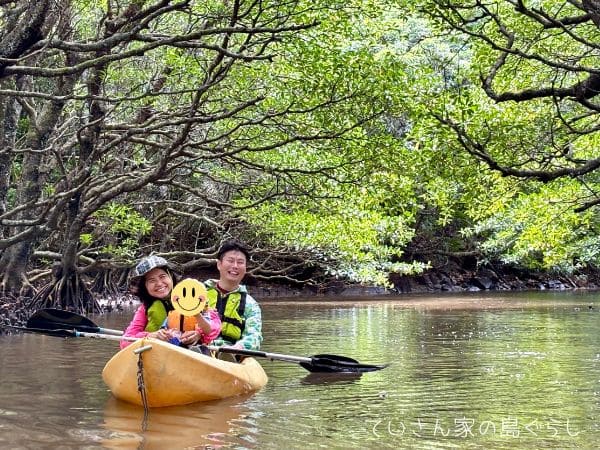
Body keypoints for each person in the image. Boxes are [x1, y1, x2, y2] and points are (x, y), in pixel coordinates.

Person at [120, 255, 220, 349]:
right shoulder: (145, 308)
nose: (159, 283)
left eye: (162, 276)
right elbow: (125, 341)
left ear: (171, 277)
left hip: (190, 351)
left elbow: (215, 326)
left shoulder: (190, 296)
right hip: (159, 355)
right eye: (151, 280)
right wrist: (150, 336)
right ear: (145, 286)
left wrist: (198, 334)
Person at [205, 240, 263, 351]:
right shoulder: (199, 292)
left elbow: (254, 337)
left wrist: (238, 347)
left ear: (245, 268)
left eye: (240, 262)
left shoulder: (251, 305)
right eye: (230, 261)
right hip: (198, 349)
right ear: (219, 264)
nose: (235, 266)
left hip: (229, 354)